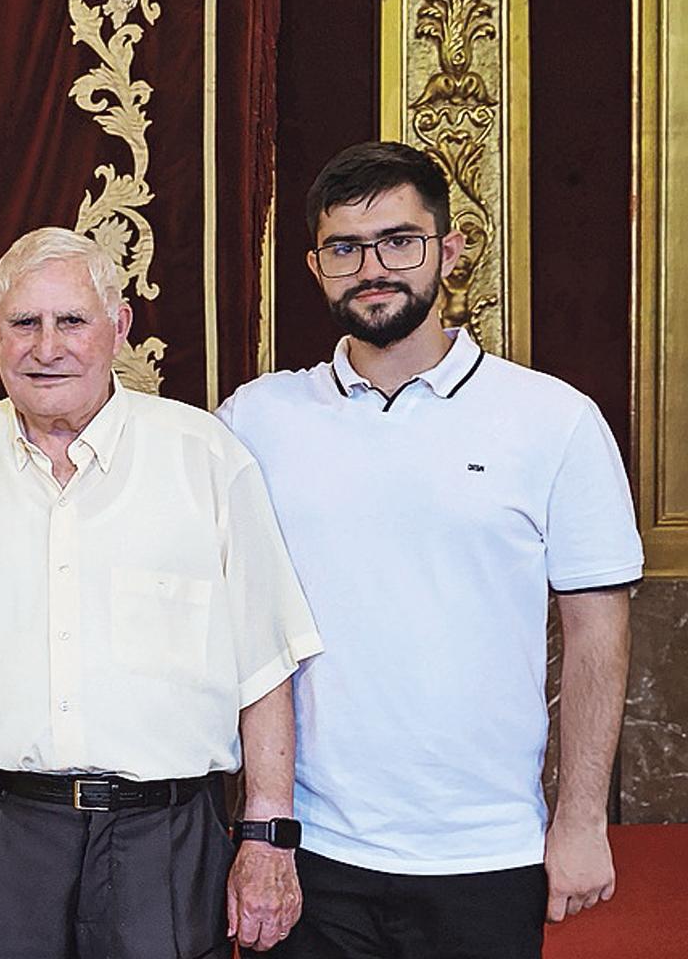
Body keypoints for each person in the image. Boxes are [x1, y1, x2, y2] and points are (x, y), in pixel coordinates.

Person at [216, 142, 643, 958]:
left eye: (398, 241)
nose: (372, 267)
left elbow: (598, 633)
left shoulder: (554, 421)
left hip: (486, 853)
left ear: (449, 251)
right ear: (315, 266)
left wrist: (582, 818)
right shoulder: (256, 421)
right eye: (345, 248)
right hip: (311, 854)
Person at [0, 227, 324, 959]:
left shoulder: (204, 456)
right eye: (23, 323)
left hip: (163, 837)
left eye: (72, 321)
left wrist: (267, 835)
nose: (47, 346)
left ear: (119, 326)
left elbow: (266, 662)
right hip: (1, 833)